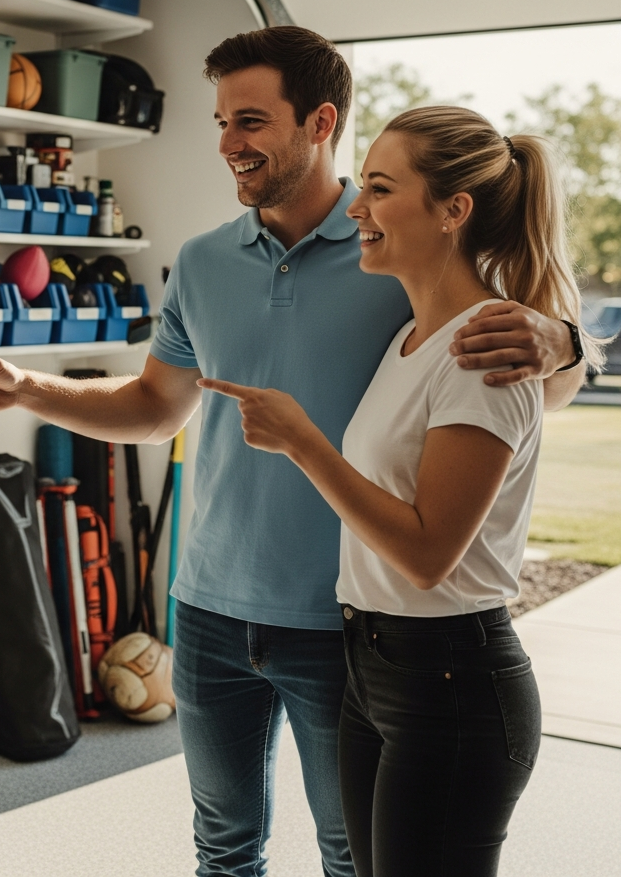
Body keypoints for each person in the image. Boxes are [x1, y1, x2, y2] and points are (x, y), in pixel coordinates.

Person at [0, 28, 585, 877]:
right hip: (209, 609)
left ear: (319, 122)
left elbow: (516, 380)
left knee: (354, 854)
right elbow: (158, 408)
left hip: (343, 625)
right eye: (223, 121)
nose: (229, 144)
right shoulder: (202, 264)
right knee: (223, 846)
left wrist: (558, 340)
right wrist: (26, 386)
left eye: (252, 121)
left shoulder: (397, 251)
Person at [200, 106, 601, 876]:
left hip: (449, 680)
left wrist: (303, 443)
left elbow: (427, 554)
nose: (356, 209)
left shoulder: (484, 350)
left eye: (380, 190)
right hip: (374, 667)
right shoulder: (410, 336)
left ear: (454, 210)